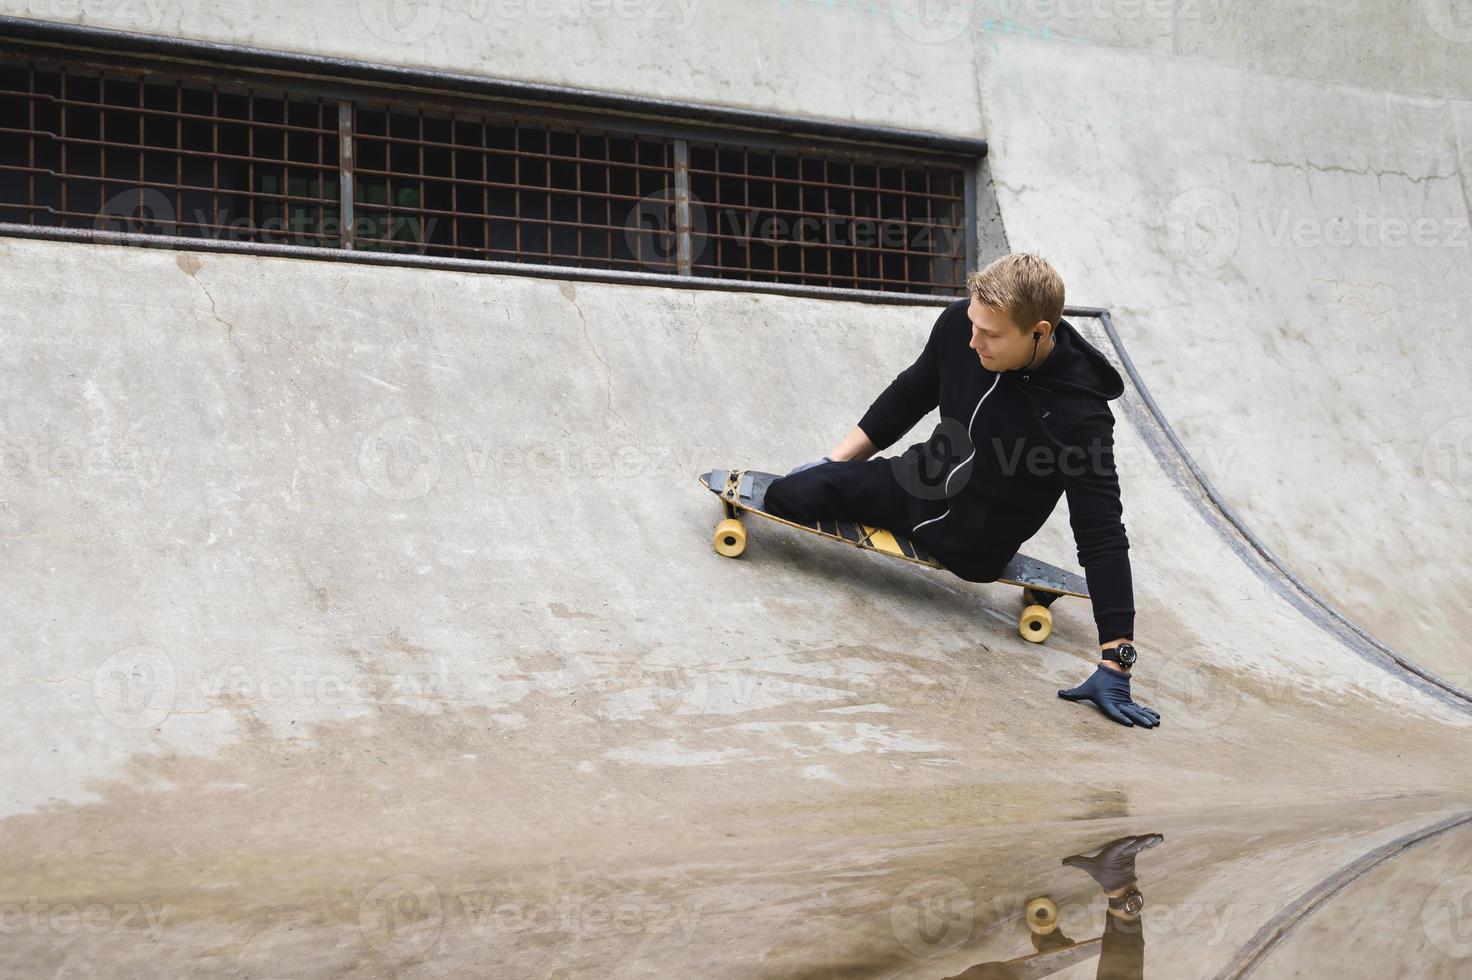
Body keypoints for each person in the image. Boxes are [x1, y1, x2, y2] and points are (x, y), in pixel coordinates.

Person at [765, 253, 1159, 728]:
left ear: (1038, 331)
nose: (972, 341)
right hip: (911, 484)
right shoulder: (961, 324)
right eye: (973, 323)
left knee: (965, 551)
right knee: (788, 495)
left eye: (990, 335)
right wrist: (836, 461)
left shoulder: (1079, 417)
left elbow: (1101, 533)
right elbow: (912, 391)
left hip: (975, 543)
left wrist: (1117, 662)